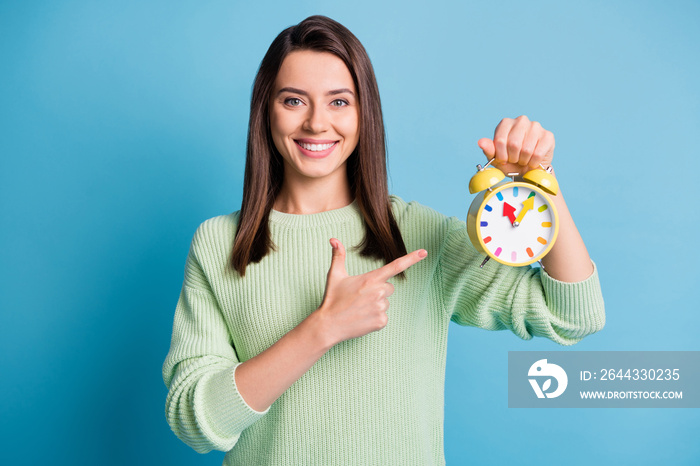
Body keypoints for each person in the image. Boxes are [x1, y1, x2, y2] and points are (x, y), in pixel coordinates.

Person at [162, 15, 604, 465]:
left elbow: (573, 314)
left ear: (363, 113)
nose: (317, 123)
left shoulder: (417, 235)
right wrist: (322, 328)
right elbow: (195, 422)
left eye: (339, 102)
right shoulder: (220, 242)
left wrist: (539, 182)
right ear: (266, 110)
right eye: (294, 100)